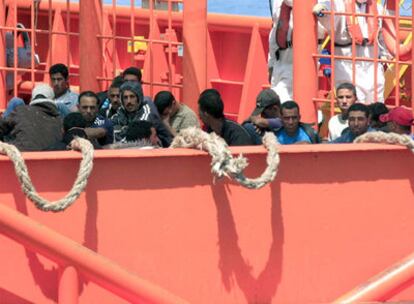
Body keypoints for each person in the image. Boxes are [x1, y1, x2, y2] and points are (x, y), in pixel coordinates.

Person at [313, 0, 389, 103]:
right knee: (354, 105)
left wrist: (385, 54)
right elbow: (327, 15)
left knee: (377, 102)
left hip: (372, 64)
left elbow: (384, 35)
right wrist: (323, 11)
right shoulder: (338, 4)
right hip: (346, 64)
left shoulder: (379, 9)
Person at [269, 0, 326, 102]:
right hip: (279, 60)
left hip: (301, 62)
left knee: (280, 100)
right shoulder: (278, 2)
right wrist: (271, 63)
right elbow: (275, 30)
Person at [0, 83, 62, 151]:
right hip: (51, 158)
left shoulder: (21, 110)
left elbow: (2, 126)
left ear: (32, 98)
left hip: (21, 155)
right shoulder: (59, 120)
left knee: (16, 101)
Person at [111, 81, 173, 147]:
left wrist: (122, 131)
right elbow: (114, 135)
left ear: (138, 98)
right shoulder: (119, 114)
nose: (129, 101)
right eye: (125, 97)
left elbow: (136, 136)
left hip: (161, 149)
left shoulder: (147, 112)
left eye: (132, 97)